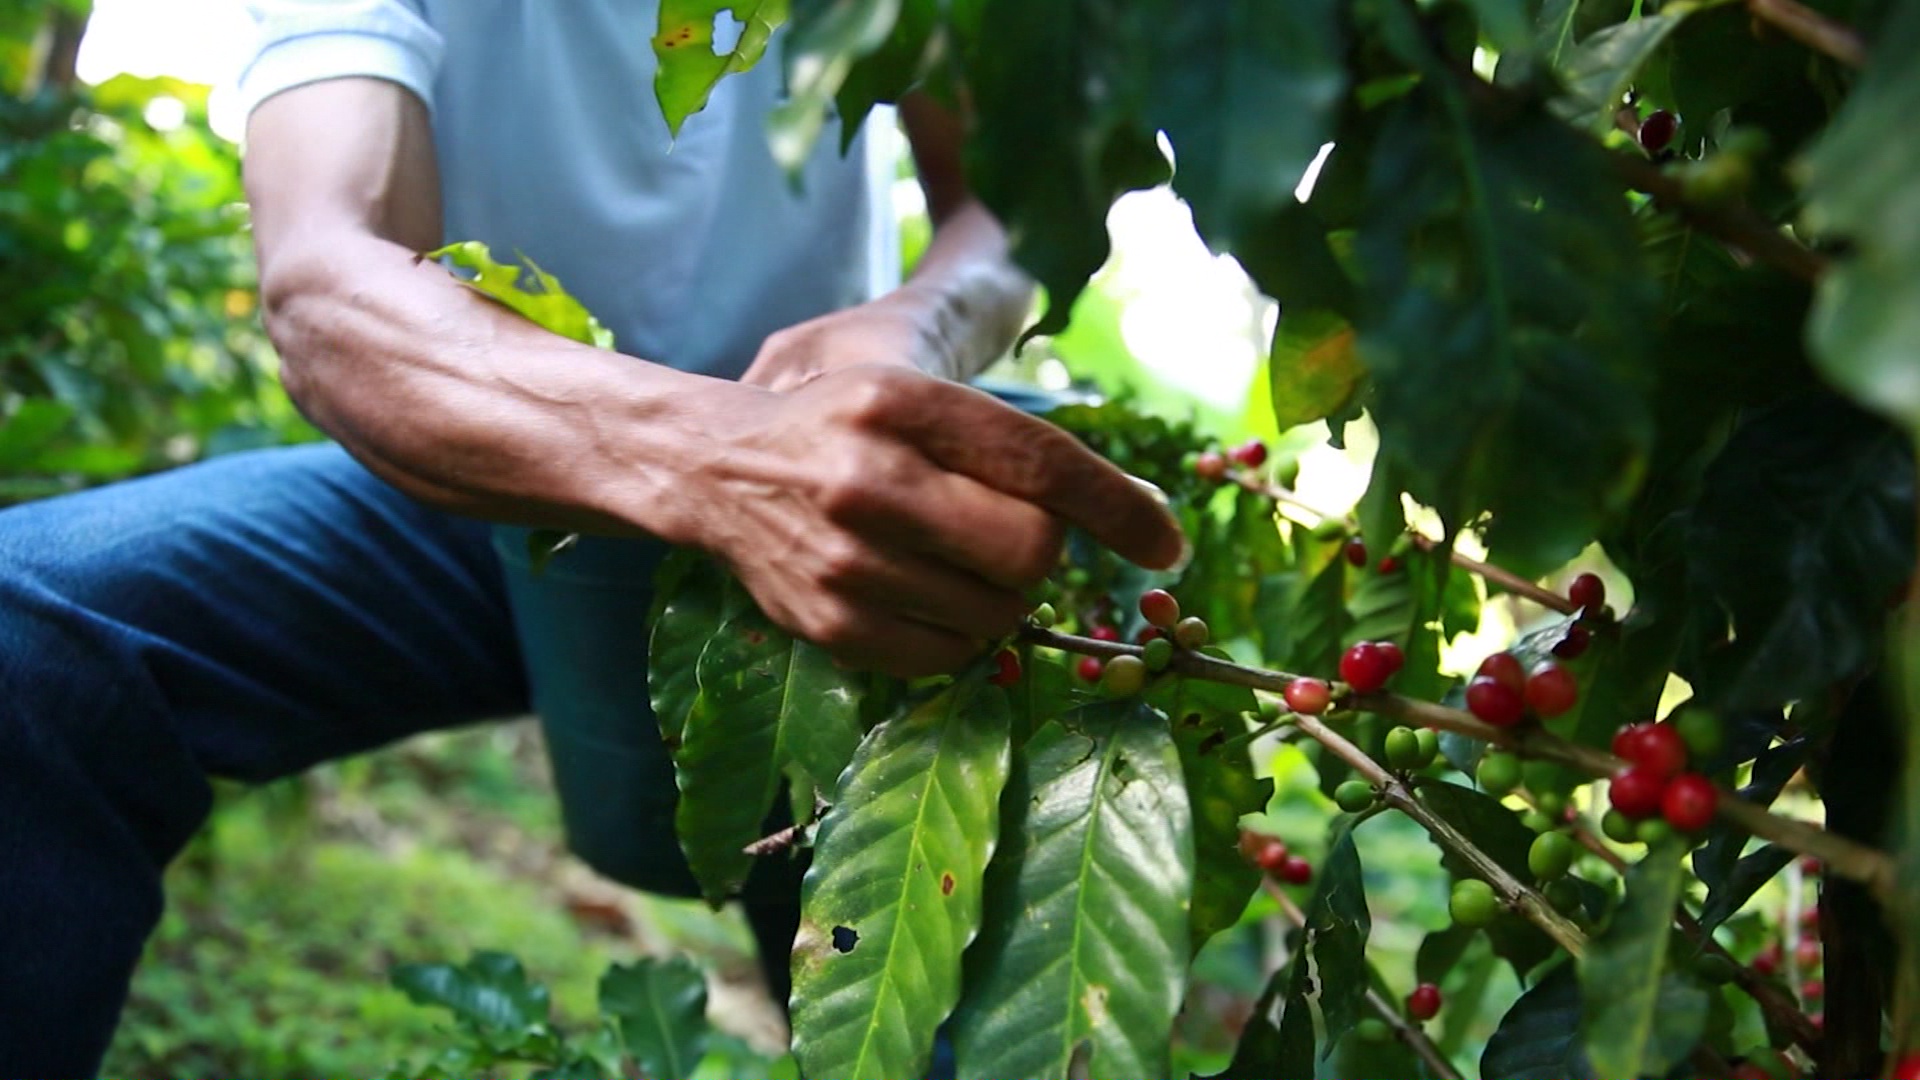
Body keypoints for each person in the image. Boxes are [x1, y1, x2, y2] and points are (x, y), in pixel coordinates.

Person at [0, 2, 1185, 1075]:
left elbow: (1004, 204)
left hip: (837, 496)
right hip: (486, 475)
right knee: (34, 628)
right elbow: (329, 280)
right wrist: (715, 458)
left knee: (924, 983)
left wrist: (908, 331)